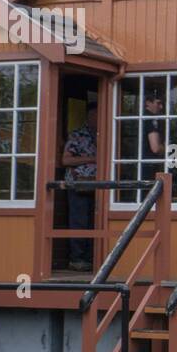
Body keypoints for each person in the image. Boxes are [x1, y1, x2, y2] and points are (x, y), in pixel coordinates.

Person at [61, 106, 98, 270]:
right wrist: (93, 158)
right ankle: (77, 259)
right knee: (79, 221)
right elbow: (66, 160)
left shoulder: (108, 132)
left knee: (94, 221)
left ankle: (92, 258)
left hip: (99, 185)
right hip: (78, 183)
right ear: (90, 116)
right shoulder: (77, 135)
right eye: (96, 115)